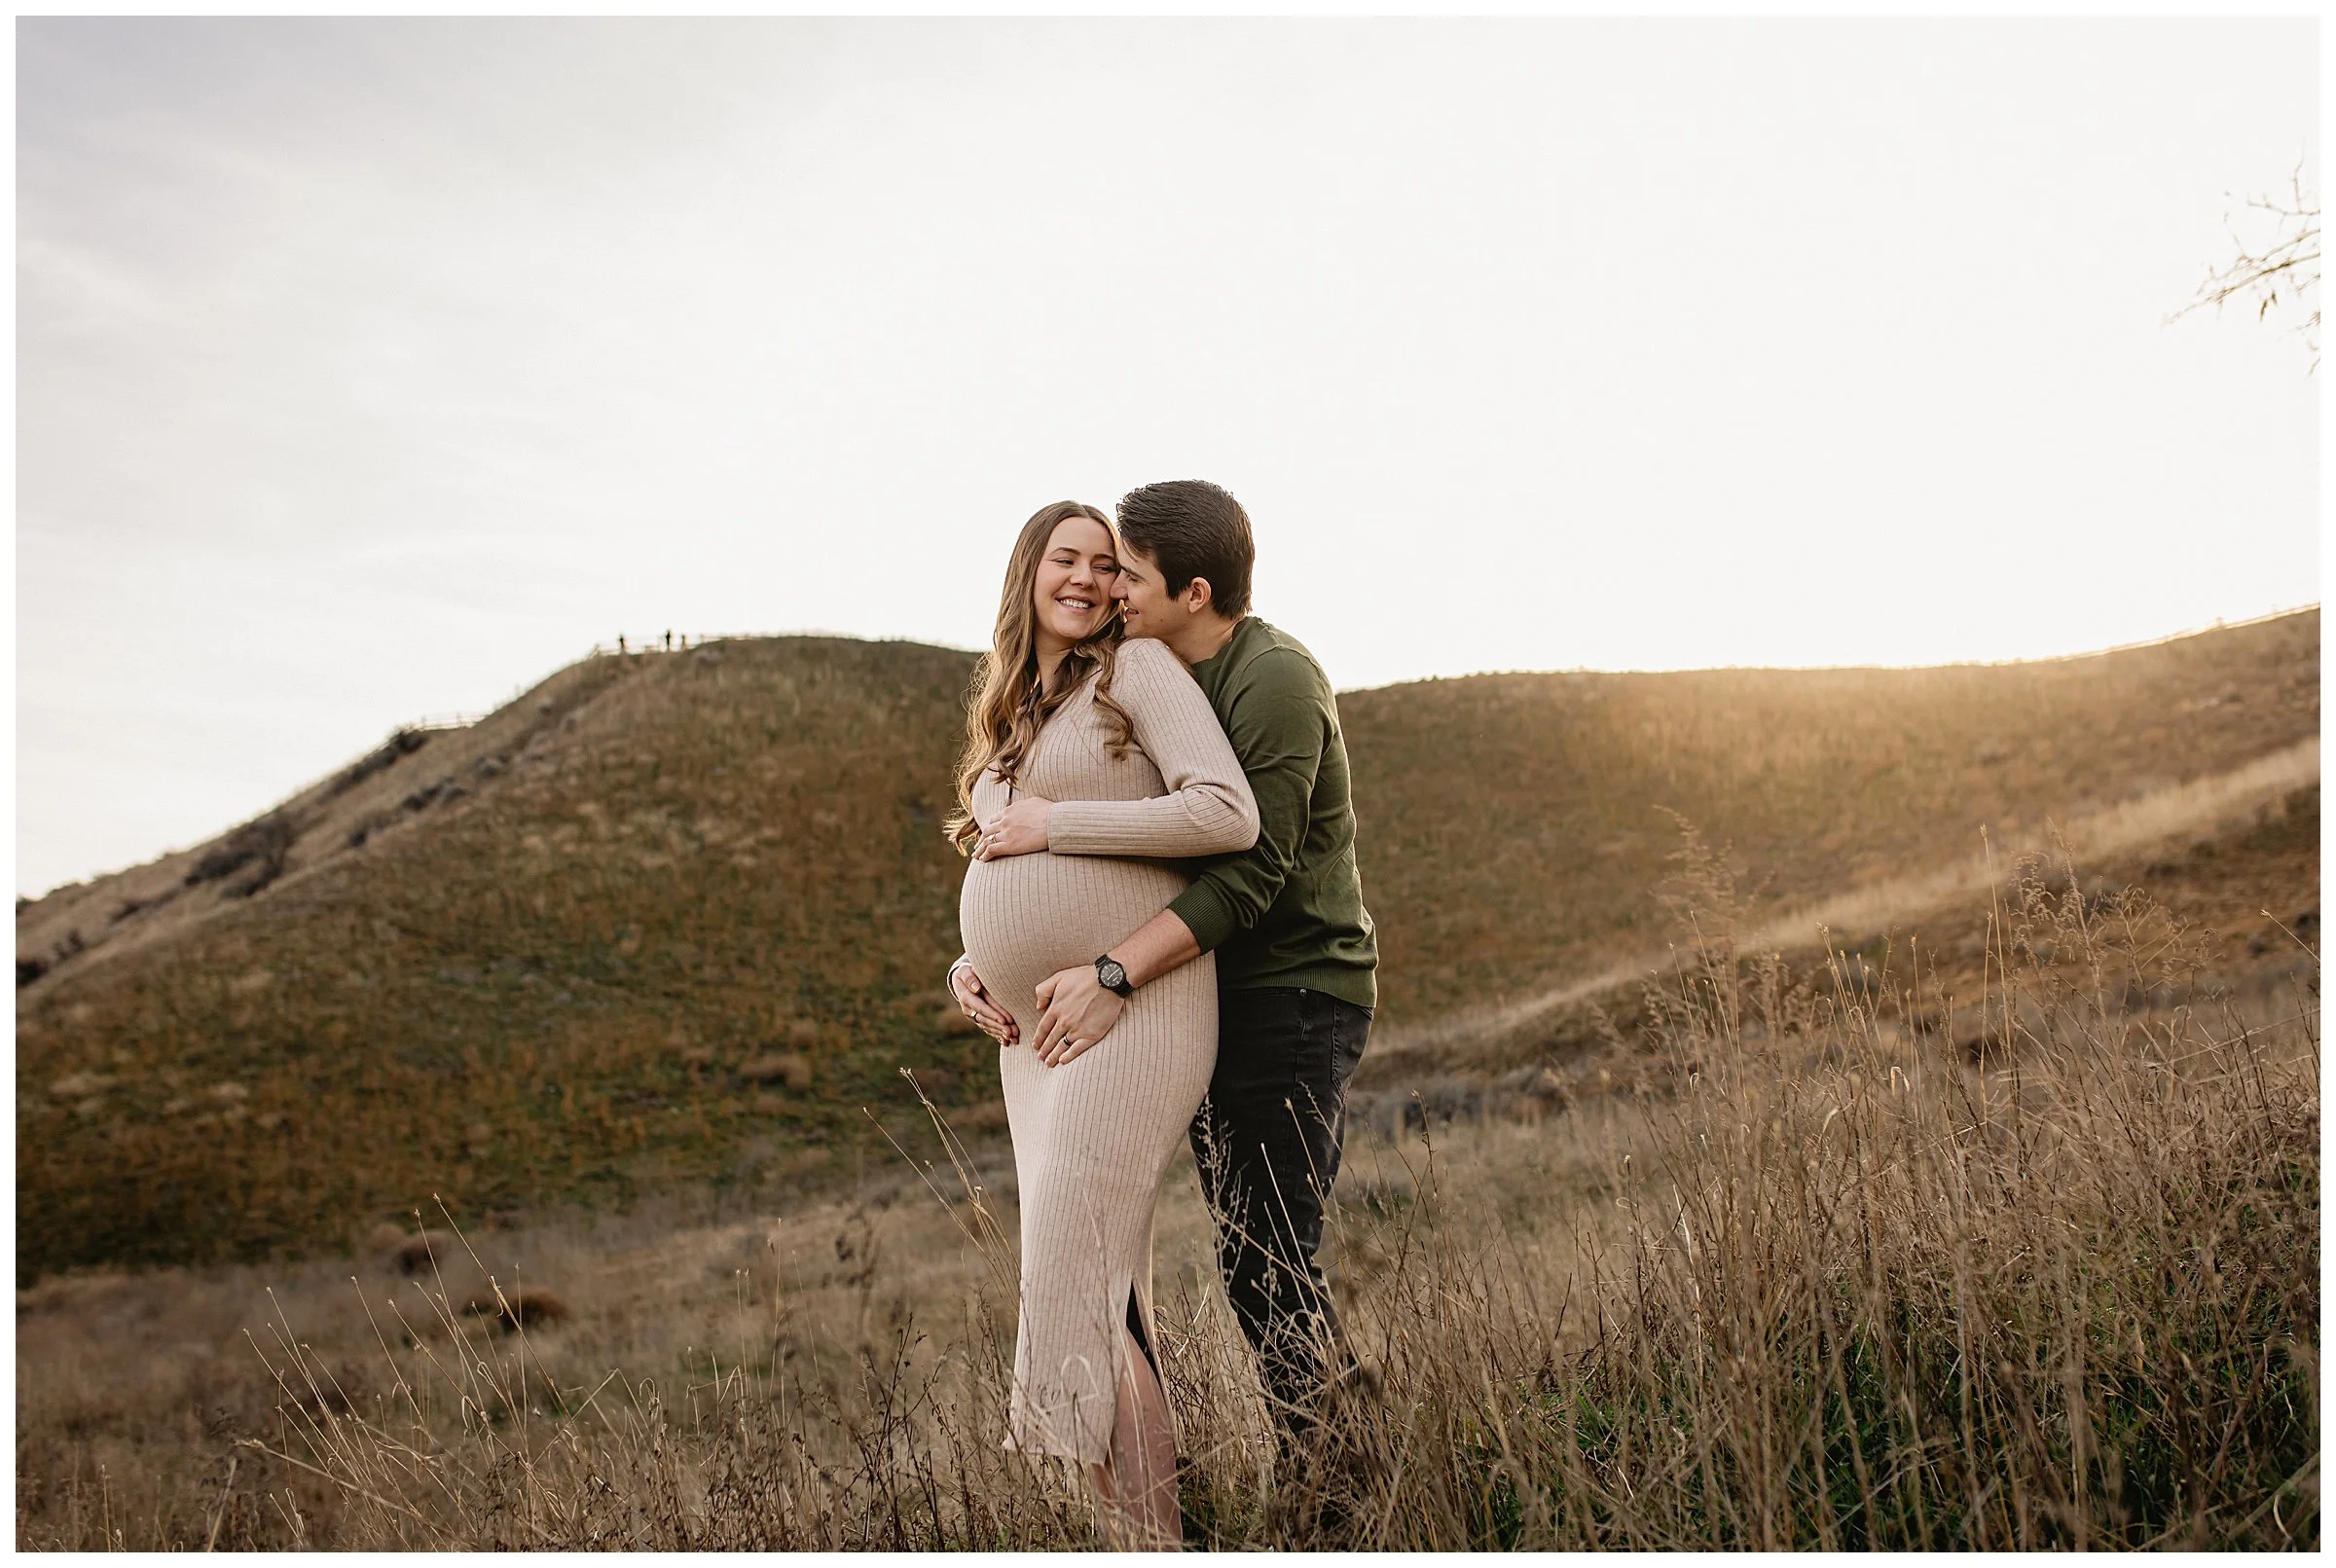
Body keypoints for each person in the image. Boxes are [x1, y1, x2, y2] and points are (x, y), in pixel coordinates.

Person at [954, 479, 1378, 1462]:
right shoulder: (1098, 683)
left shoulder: (1261, 679)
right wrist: (986, 957)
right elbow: (1080, 862)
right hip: (1187, 992)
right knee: (1214, 1263)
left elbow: (1245, 866)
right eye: (1085, 563)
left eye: (1123, 570)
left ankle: (1350, 1486)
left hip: (1289, 988)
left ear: (1189, 592)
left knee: (1267, 1263)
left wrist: (1112, 970)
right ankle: (1307, 1482)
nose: (1109, 587)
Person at [949, 498, 1260, 1549]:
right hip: (1035, 1047)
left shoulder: (1141, 675)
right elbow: (1006, 864)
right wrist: (973, 961)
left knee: (1074, 1283)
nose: (1086, 578)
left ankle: (1152, 1548)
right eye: (1064, 559)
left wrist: (1056, 823)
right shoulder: (1014, 716)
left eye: (1104, 564)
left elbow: (1227, 812)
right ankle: (1143, 1539)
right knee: (1097, 1297)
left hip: (1134, 1008)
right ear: (1026, 572)